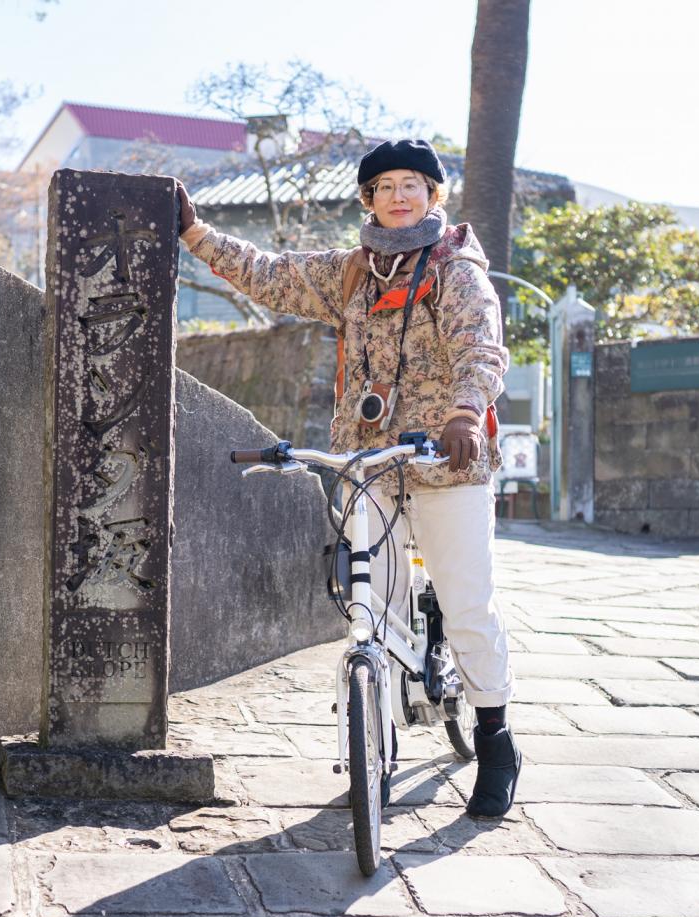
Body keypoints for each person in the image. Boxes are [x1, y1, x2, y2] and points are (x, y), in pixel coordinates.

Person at [175, 138, 521, 816]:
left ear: (432, 195)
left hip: (443, 460)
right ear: (368, 198)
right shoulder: (352, 273)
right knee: (374, 603)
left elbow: (482, 346)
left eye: (412, 185)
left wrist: (463, 412)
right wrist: (193, 232)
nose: (399, 195)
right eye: (385, 185)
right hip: (368, 462)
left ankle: (497, 738)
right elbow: (268, 273)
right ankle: (377, 738)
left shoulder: (456, 270)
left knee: (467, 601)